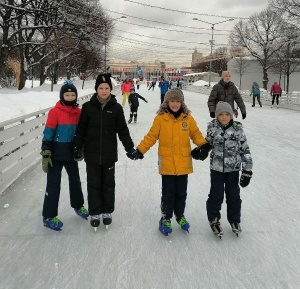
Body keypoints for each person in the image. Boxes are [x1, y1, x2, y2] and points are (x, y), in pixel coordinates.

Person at [128, 88, 208, 236]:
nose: (175, 104)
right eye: (172, 100)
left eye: (178, 101)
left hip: (183, 163)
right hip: (167, 163)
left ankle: (180, 215)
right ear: (167, 102)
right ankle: (166, 218)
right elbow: (151, 136)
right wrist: (140, 150)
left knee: (181, 193)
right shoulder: (160, 118)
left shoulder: (187, 118)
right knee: (168, 193)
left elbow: (195, 133)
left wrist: (203, 145)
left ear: (182, 102)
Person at [73, 73, 136, 231]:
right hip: (91, 154)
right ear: (96, 89)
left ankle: (107, 211)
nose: (104, 90)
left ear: (111, 89)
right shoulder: (87, 107)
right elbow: (81, 130)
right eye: (101, 88)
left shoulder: (116, 108)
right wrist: (77, 146)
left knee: (108, 184)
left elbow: (122, 130)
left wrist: (129, 148)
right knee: (93, 184)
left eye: (107, 88)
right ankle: (95, 212)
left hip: (109, 155)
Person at [191, 101, 253, 238]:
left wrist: (247, 170)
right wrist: (201, 151)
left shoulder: (238, 130)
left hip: (233, 170)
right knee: (216, 194)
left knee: (233, 195)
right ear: (217, 115)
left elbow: (245, 150)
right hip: (217, 169)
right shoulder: (213, 128)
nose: (224, 117)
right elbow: (207, 143)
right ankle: (214, 218)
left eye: (227, 114)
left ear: (231, 115)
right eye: (221, 114)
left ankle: (234, 219)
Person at [41, 81, 88, 231]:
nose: (69, 97)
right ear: (62, 95)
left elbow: (81, 133)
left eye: (72, 94)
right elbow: (48, 133)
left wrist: (81, 148)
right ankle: (48, 215)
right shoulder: (55, 112)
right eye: (67, 95)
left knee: (75, 181)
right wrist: (46, 151)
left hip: (71, 153)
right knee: (53, 185)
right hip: (56, 154)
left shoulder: (78, 112)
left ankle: (78, 205)